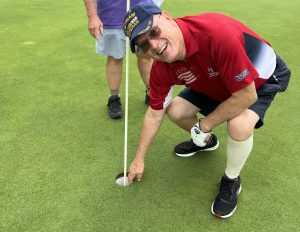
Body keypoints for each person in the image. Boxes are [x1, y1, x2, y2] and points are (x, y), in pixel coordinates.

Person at [123, 3, 291, 218]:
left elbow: (246, 96)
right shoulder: (161, 67)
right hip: (214, 79)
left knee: (239, 125)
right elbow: (155, 113)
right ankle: (208, 142)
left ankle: (231, 180)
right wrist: (139, 158)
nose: (154, 46)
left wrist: (204, 125)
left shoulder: (216, 33)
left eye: (153, 32)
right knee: (175, 110)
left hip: (259, 78)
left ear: (166, 17)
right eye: (144, 45)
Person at [83, 0, 158, 119]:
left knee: (145, 55)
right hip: (111, 12)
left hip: (141, 11)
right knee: (115, 56)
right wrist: (92, 15)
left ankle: (152, 93)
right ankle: (114, 98)